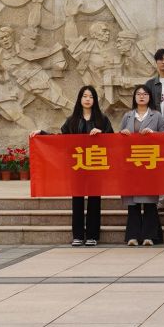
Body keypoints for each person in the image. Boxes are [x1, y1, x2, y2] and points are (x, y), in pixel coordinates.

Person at [59, 86, 111, 246]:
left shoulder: (102, 120)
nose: (88, 99)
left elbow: (112, 140)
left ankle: (92, 235)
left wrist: (101, 134)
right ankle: (78, 235)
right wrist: (41, 133)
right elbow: (61, 140)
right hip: (78, 166)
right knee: (77, 201)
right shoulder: (72, 120)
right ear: (80, 99)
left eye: (91, 96)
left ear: (95, 100)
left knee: (95, 200)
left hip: (95, 165)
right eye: (85, 96)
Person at [118, 84, 164, 245]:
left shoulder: (156, 116)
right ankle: (132, 236)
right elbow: (118, 141)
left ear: (150, 97)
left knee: (150, 203)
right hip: (132, 166)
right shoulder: (128, 116)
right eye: (138, 94)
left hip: (149, 165)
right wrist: (123, 134)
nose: (141, 96)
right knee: (133, 204)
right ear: (134, 97)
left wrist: (154, 134)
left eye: (145, 94)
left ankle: (149, 236)